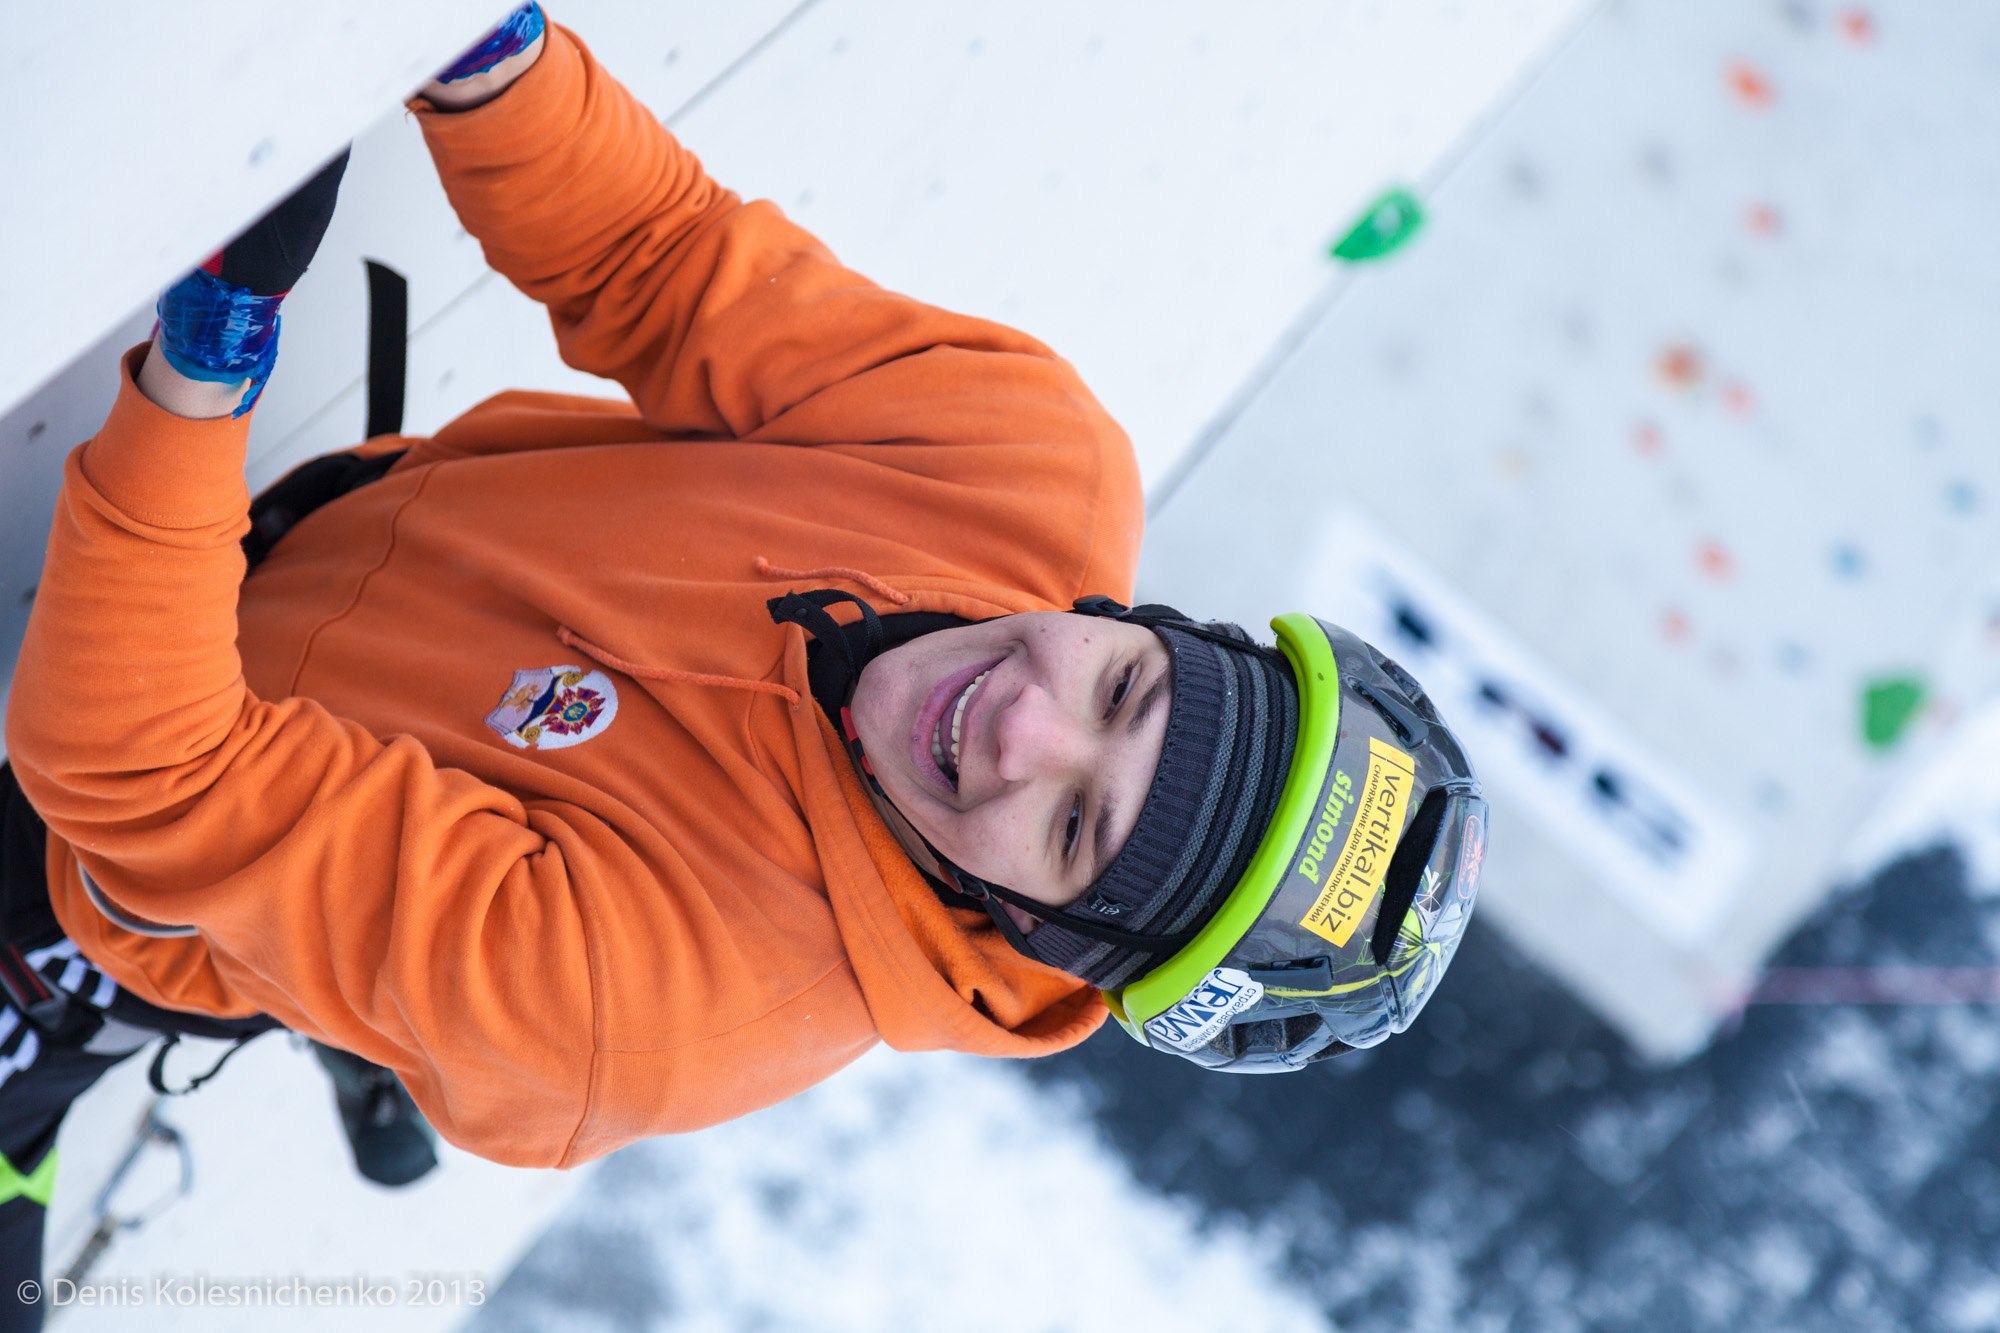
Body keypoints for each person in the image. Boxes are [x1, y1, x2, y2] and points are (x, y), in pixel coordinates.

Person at [0, 4, 1486, 1320]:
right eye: (1123, 688)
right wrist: (480, 60)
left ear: (1043, 941)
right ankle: (392, 992)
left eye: (1075, 825)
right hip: (331, 567)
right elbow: (663, 263)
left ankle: (231, 996)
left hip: (103, 852)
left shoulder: (630, 1009)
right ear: (1155, 624)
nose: (1024, 720)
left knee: (233, 931)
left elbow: (148, 772)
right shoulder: (1025, 463)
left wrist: (209, 359)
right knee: (437, 954)